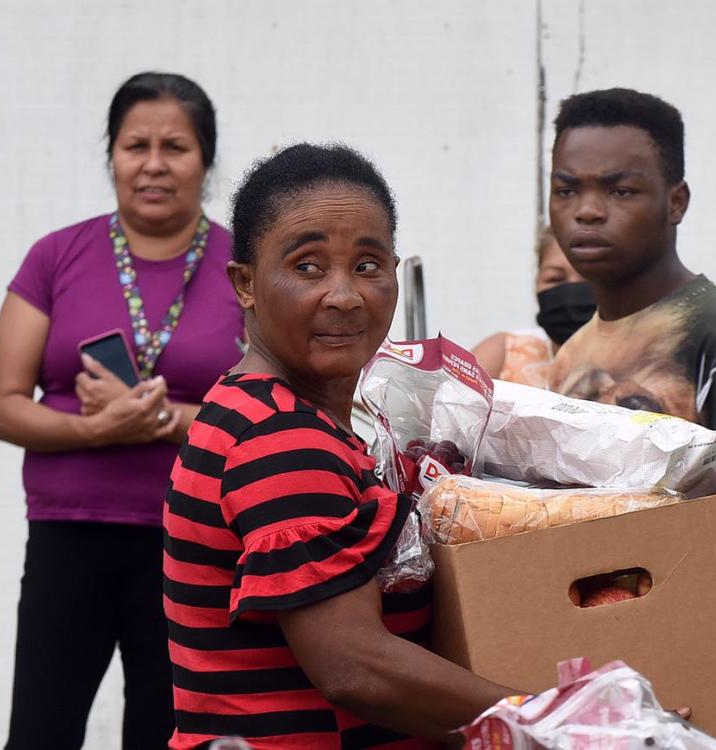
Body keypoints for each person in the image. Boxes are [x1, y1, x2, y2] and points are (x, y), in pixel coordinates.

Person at [162, 143, 518, 749]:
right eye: (307, 267)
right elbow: (356, 669)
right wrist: (557, 722)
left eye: (368, 265)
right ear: (245, 283)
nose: (346, 295)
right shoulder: (281, 439)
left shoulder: (255, 405)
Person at [0, 72, 244, 749]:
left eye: (175, 147)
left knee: (167, 736)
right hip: (69, 538)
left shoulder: (241, 268)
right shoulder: (55, 256)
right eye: (135, 145)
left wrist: (165, 420)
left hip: (193, 545)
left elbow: (267, 408)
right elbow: (1, 408)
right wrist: (96, 428)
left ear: (206, 161)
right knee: (40, 732)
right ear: (112, 156)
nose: (153, 164)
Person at [546, 87, 716, 430]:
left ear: (676, 202)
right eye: (566, 191)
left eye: (620, 191)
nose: (587, 211)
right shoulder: (570, 357)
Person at [472, 223, 593, 387]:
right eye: (555, 279)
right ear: (536, 283)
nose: (571, 291)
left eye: (589, 277)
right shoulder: (504, 352)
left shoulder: (637, 364)